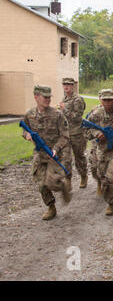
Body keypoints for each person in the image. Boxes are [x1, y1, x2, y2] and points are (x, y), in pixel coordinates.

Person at [22, 85, 71, 220]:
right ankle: (51, 207)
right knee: (41, 184)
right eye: (45, 97)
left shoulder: (57, 115)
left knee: (51, 183)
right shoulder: (30, 114)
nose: (48, 100)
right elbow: (24, 129)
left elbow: (65, 136)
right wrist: (27, 135)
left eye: (49, 97)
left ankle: (63, 186)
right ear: (36, 97)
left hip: (54, 155)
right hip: (39, 155)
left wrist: (56, 148)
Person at [59, 78, 88, 189]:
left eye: (68, 85)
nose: (66, 87)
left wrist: (64, 109)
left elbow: (77, 117)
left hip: (77, 133)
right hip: (65, 134)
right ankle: (68, 179)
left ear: (73, 86)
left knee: (79, 157)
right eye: (64, 84)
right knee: (65, 158)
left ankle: (83, 176)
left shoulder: (78, 99)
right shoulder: (65, 98)